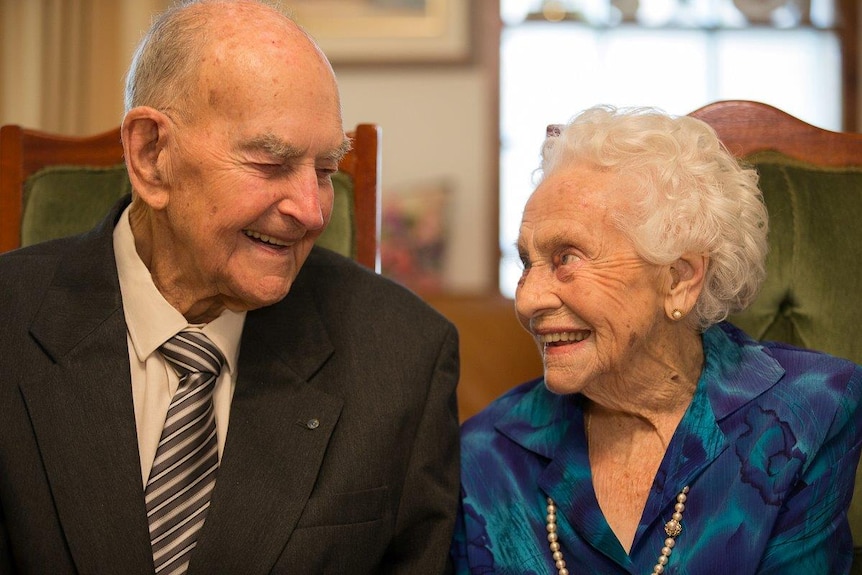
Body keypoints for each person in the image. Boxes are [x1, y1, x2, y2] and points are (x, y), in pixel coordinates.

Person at [0, 1, 460, 573]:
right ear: (151, 154)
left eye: (325, 169)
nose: (312, 211)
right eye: (270, 162)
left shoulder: (404, 357)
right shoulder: (8, 325)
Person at [450, 105, 862, 573]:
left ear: (680, 278)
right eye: (527, 263)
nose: (527, 301)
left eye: (567, 257)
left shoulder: (808, 413)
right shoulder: (488, 453)